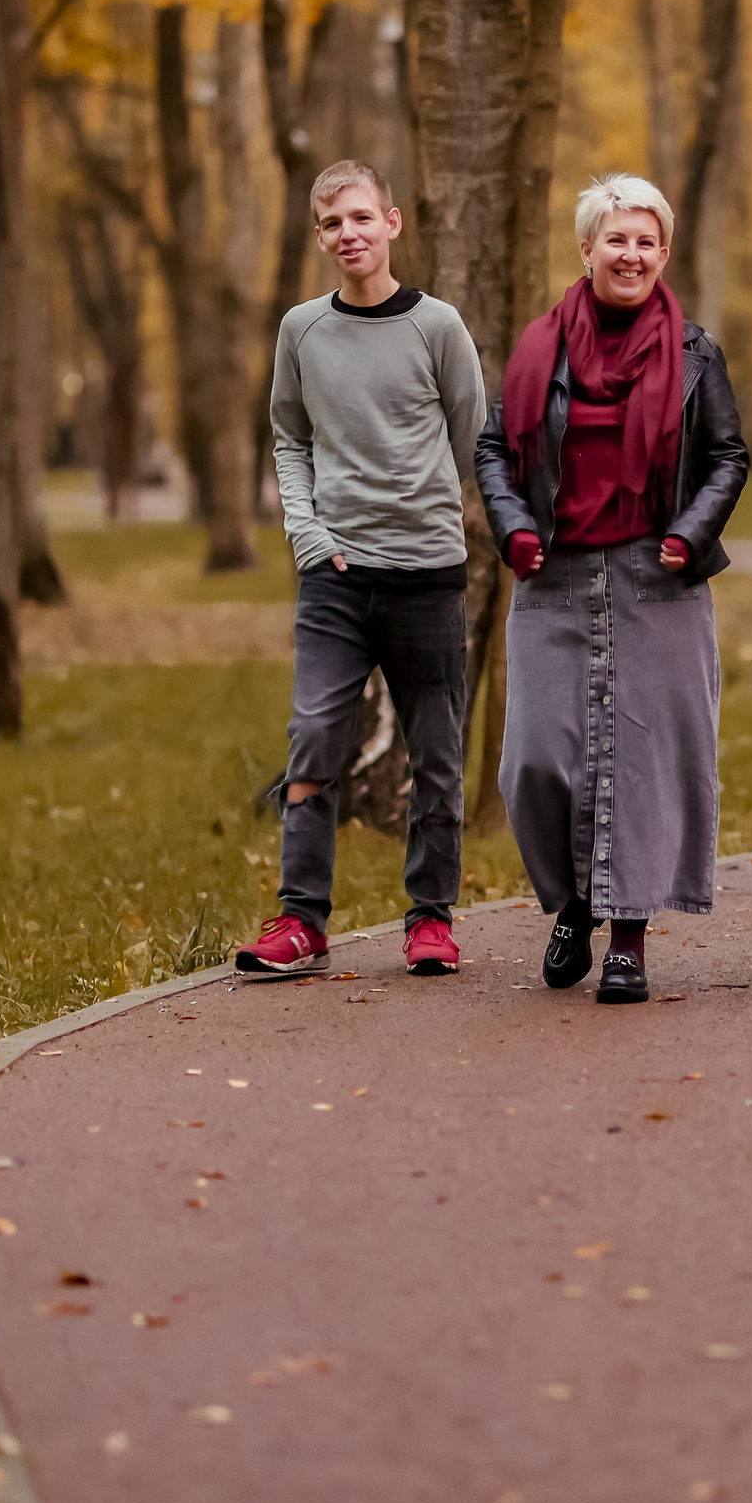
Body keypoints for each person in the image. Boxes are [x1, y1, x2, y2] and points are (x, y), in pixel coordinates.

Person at [476, 172, 748, 1004]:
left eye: (645, 241)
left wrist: (688, 531)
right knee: (534, 759)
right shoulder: (538, 349)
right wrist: (515, 527)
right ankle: (574, 904)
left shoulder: (697, 352)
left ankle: (626, 936)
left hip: (655, 576)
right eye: (615, 239)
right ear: (586, 248)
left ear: (663, 253)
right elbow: (493, 449)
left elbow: (728, 457)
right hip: (551, 573)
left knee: (644, 760)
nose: (630, 254)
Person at [234, 161, 487, 979]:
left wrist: (418, 508)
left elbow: (468, 433)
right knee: (314, 737)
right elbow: (289, 438)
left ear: (392, 222)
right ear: (320, 237)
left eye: (359, 217)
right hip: (336, 577)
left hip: (427, 574)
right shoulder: (302, 329)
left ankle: (431, 917)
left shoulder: (439, 326)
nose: (348, 233)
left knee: (437, 754)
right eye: (331, 223)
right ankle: (302, 920)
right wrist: (308, 533)